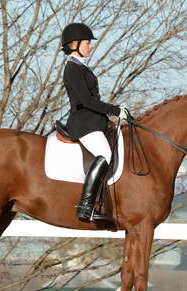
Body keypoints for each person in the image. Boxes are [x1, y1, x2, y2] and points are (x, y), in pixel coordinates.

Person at [61, 23, 129, 222]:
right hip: (83, 123)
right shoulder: (73, 68)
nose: (90, 47)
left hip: (94, 121)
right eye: (87, 43)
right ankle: (86, 205)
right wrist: (115, 110)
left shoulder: (81, 66)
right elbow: (87, 101)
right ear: (75, 44)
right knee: (105, 154)